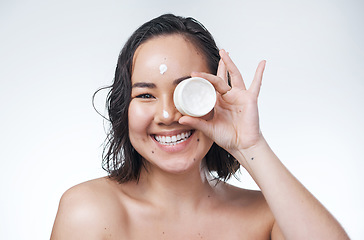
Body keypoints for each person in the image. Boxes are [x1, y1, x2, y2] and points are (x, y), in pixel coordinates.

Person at [50, 14, 349, 239]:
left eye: (186, 92)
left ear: (218, 97)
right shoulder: (89, 211)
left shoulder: (269, 216)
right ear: (122, 109)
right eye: (145, 95)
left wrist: (250, 145)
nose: (167, 114)